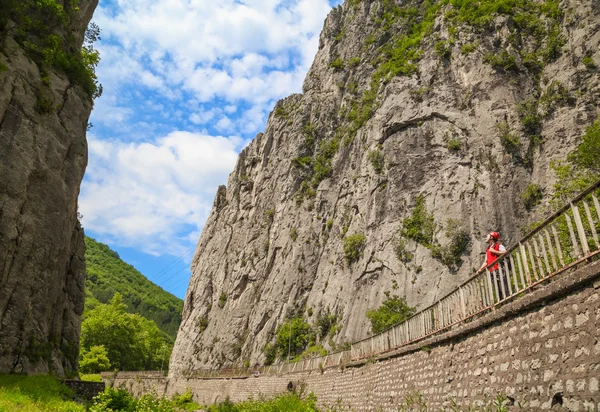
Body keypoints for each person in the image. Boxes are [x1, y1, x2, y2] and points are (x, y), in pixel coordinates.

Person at [477, 232, 508, 300]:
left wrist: (494, 251)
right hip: (492, 271)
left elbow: (505, 252)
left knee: (503, 286)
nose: (485, 238)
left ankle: (508, 300)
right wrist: (480, 269)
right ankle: (501, 302)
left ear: (491, 237)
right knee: (497, 289)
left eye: (487, 236)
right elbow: (486, 261)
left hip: (499, 269)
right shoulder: (488, 249)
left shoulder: (498, 246)